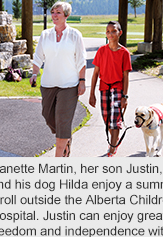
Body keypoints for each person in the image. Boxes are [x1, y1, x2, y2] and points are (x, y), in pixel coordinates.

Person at [30, 1, 86, 157]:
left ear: (66, 16)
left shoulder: (75, 35)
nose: (54, 15)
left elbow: (81, 60)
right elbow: (38, 57)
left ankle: (59, 155)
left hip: (69, 85)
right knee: (48, 117)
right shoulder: (45, 34)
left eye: (58, 12)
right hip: (48, 84)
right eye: (53, 12)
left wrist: (82, 81)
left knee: (62, 120)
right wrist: (34, 73)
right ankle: (66, 137)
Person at [89, 21, 132, 157]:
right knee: (107, 118)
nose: (110, 34)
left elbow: (126, 76)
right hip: (104, 88)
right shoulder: (101, 51)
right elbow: (95, 73)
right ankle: (115, 139)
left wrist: (125, 96)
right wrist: (92, 94)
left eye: (113, 31)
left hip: (118, 88)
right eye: (108, 31)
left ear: (120, 33)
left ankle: (112, 147)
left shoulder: (124, 53)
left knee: (115, 119)